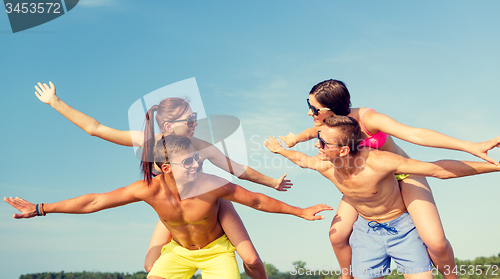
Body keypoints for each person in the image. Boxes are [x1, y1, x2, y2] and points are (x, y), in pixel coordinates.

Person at [34, 81, 291, 278]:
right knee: (150, 266)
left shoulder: (201, 145)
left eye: (194, 118)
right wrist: (55, 101)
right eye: (189, 120)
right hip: (174, 210)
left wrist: (272, 183)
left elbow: (237, 170)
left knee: (250, 257)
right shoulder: (150, 143)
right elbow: (96, 129)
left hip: (209, 203)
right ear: (168, 127)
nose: (194, 123)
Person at [4, 135, 332, 279]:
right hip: (177, 251)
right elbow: (95, 201)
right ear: (165, 168)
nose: (197, 164)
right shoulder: (147, 189)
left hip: (217, 250)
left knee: (251, 260)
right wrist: (43, 208)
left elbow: (257, 200)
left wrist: (299, 211)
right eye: (188, 162)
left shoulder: (211, 184)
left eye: (197, 158)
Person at [278, 79, 500, 279]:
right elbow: (313, 131)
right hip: (369, 183)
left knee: (436, 243)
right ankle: (349, 277)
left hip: (402, 174)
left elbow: (415, 134)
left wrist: (470, 146)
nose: (310, 113)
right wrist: (295, 139)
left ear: (331, 110)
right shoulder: (328, 125)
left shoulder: (368, 119)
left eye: (313, 109)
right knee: (337, 237)